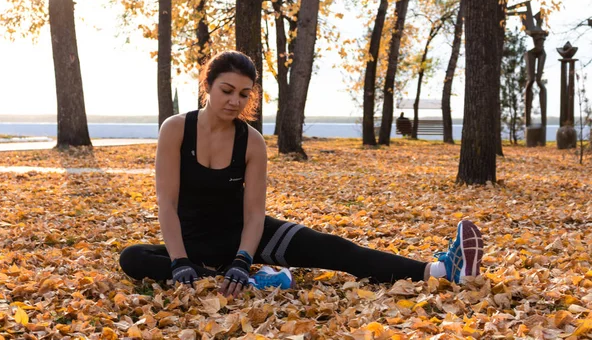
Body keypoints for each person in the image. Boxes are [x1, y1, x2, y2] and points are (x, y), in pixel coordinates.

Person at [119, 51, 484, 297]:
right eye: (227, 90)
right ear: (208, 85)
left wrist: (243, 257)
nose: (235, 101)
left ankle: (438, 271)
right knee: (133, 258)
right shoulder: (176, 129)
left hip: (248, 236)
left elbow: (254, 213)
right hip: (195, 243)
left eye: (245, 94)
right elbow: (166, 204)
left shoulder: (253, 143)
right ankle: (236, 278)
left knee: (333, 248)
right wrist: (180, 262)